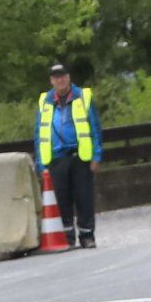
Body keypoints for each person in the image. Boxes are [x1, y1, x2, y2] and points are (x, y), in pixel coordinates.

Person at [33, 63, 102, 248]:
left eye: (63, 76)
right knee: (61, 199)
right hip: (55, 158)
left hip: (80, 155)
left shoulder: (83, 96)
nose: (60, 80)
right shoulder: (45, 101)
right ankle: (67, 237)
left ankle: (87, 236)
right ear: (51, 81)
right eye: (56, 77)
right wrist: (41, 163)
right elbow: (39, 133)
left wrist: (96, 155)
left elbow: (94, 127)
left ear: (68, 77)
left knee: (84, 197)